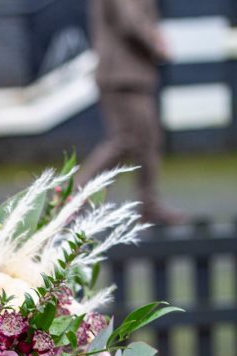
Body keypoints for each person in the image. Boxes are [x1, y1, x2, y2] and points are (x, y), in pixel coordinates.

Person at [78, 0, 187, 225]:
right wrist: (157, 44)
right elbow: (130, 21)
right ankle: (76, 201)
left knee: (146, 140)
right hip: (122, 74)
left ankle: (148, 206)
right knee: (125, 140)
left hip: (129, 74)